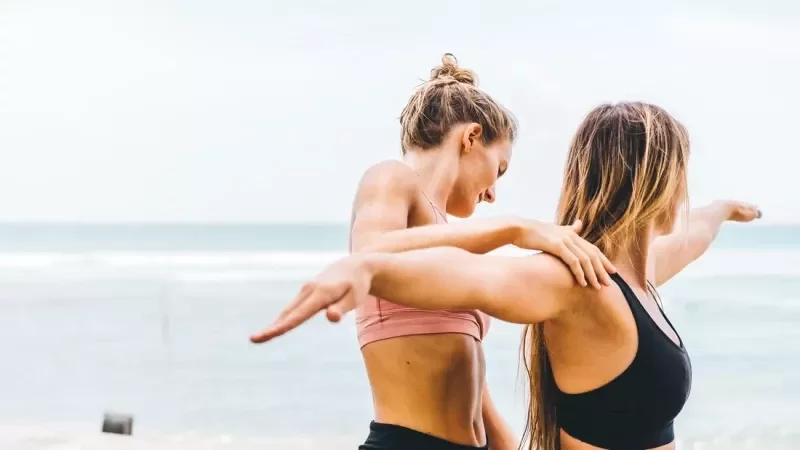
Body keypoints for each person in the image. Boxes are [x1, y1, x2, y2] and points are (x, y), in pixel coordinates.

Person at [251, 102, 762, 450]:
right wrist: (365, 268)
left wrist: (722, 210)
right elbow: (473, 278)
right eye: (682, 174)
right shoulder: (573, 284)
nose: (686, 191)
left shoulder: (635, 278)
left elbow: (691, 236)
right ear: (654, 177)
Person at [251, 54, 616, 450]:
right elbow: (370, 255)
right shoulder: (391, 177)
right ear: (471, 137)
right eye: (500, 168)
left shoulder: (445, 242)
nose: (493, 192)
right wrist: (513, 229)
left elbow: (472, 386)